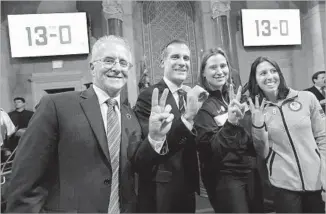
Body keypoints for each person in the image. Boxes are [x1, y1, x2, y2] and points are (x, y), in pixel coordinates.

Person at [5, 35, 175, 213]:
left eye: (123, 63)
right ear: (92, 67)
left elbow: (138, 166)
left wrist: (155, 137)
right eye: (109, 60)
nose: (117, 68)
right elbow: (24, 180)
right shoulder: (56, 105)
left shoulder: (129, 116)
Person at [134, 39, 208, 213]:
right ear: (162, 62)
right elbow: (155, 146)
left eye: (186, 58)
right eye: (175, 57)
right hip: (162, 188)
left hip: (188, 185)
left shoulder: (192, 95)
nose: (182, 63)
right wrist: (188, 116)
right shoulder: (150, 96)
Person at [248, 56, 326, 213]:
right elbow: (261, 151)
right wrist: (257, 123)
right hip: (283, 184)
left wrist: (324, 174)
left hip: (316, 179)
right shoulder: (254, 110)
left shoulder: (307, 98)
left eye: (273, 71)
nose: (270, 76)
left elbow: (323, 138)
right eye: (263, 73)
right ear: (255, 80)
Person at [194, 48, 263, 212]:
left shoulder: (238, 98)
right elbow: (210, 148)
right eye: (213, 67)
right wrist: (230, 123)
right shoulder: (201, 104)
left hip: (251, 171)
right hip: (225, 177)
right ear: (203, 72)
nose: (219, 71)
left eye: (223, 66)